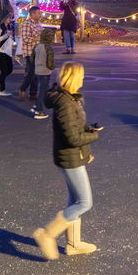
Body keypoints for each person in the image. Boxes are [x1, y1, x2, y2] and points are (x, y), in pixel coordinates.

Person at [32, 62, 103, 259]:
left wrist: (89, 131)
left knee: (74, 201)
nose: (82, 79)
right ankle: (47, 234)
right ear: (72, 77)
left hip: (73, 155)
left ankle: (73, 244)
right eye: (80, 76)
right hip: (69, 157)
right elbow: (72, 138)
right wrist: (93, 137)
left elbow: (74, 129)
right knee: (84, 202)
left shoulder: (70, 98)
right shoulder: (66, 102)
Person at [29, 26, 57, 119]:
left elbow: (32, 58)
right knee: (42, 91)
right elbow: (50, 62)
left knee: (41, 90)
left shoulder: (37, 46)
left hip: (37, 71)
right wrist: (52, 68)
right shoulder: (48, 48)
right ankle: (39, 111)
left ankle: (36, 106)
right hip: (45, 72)